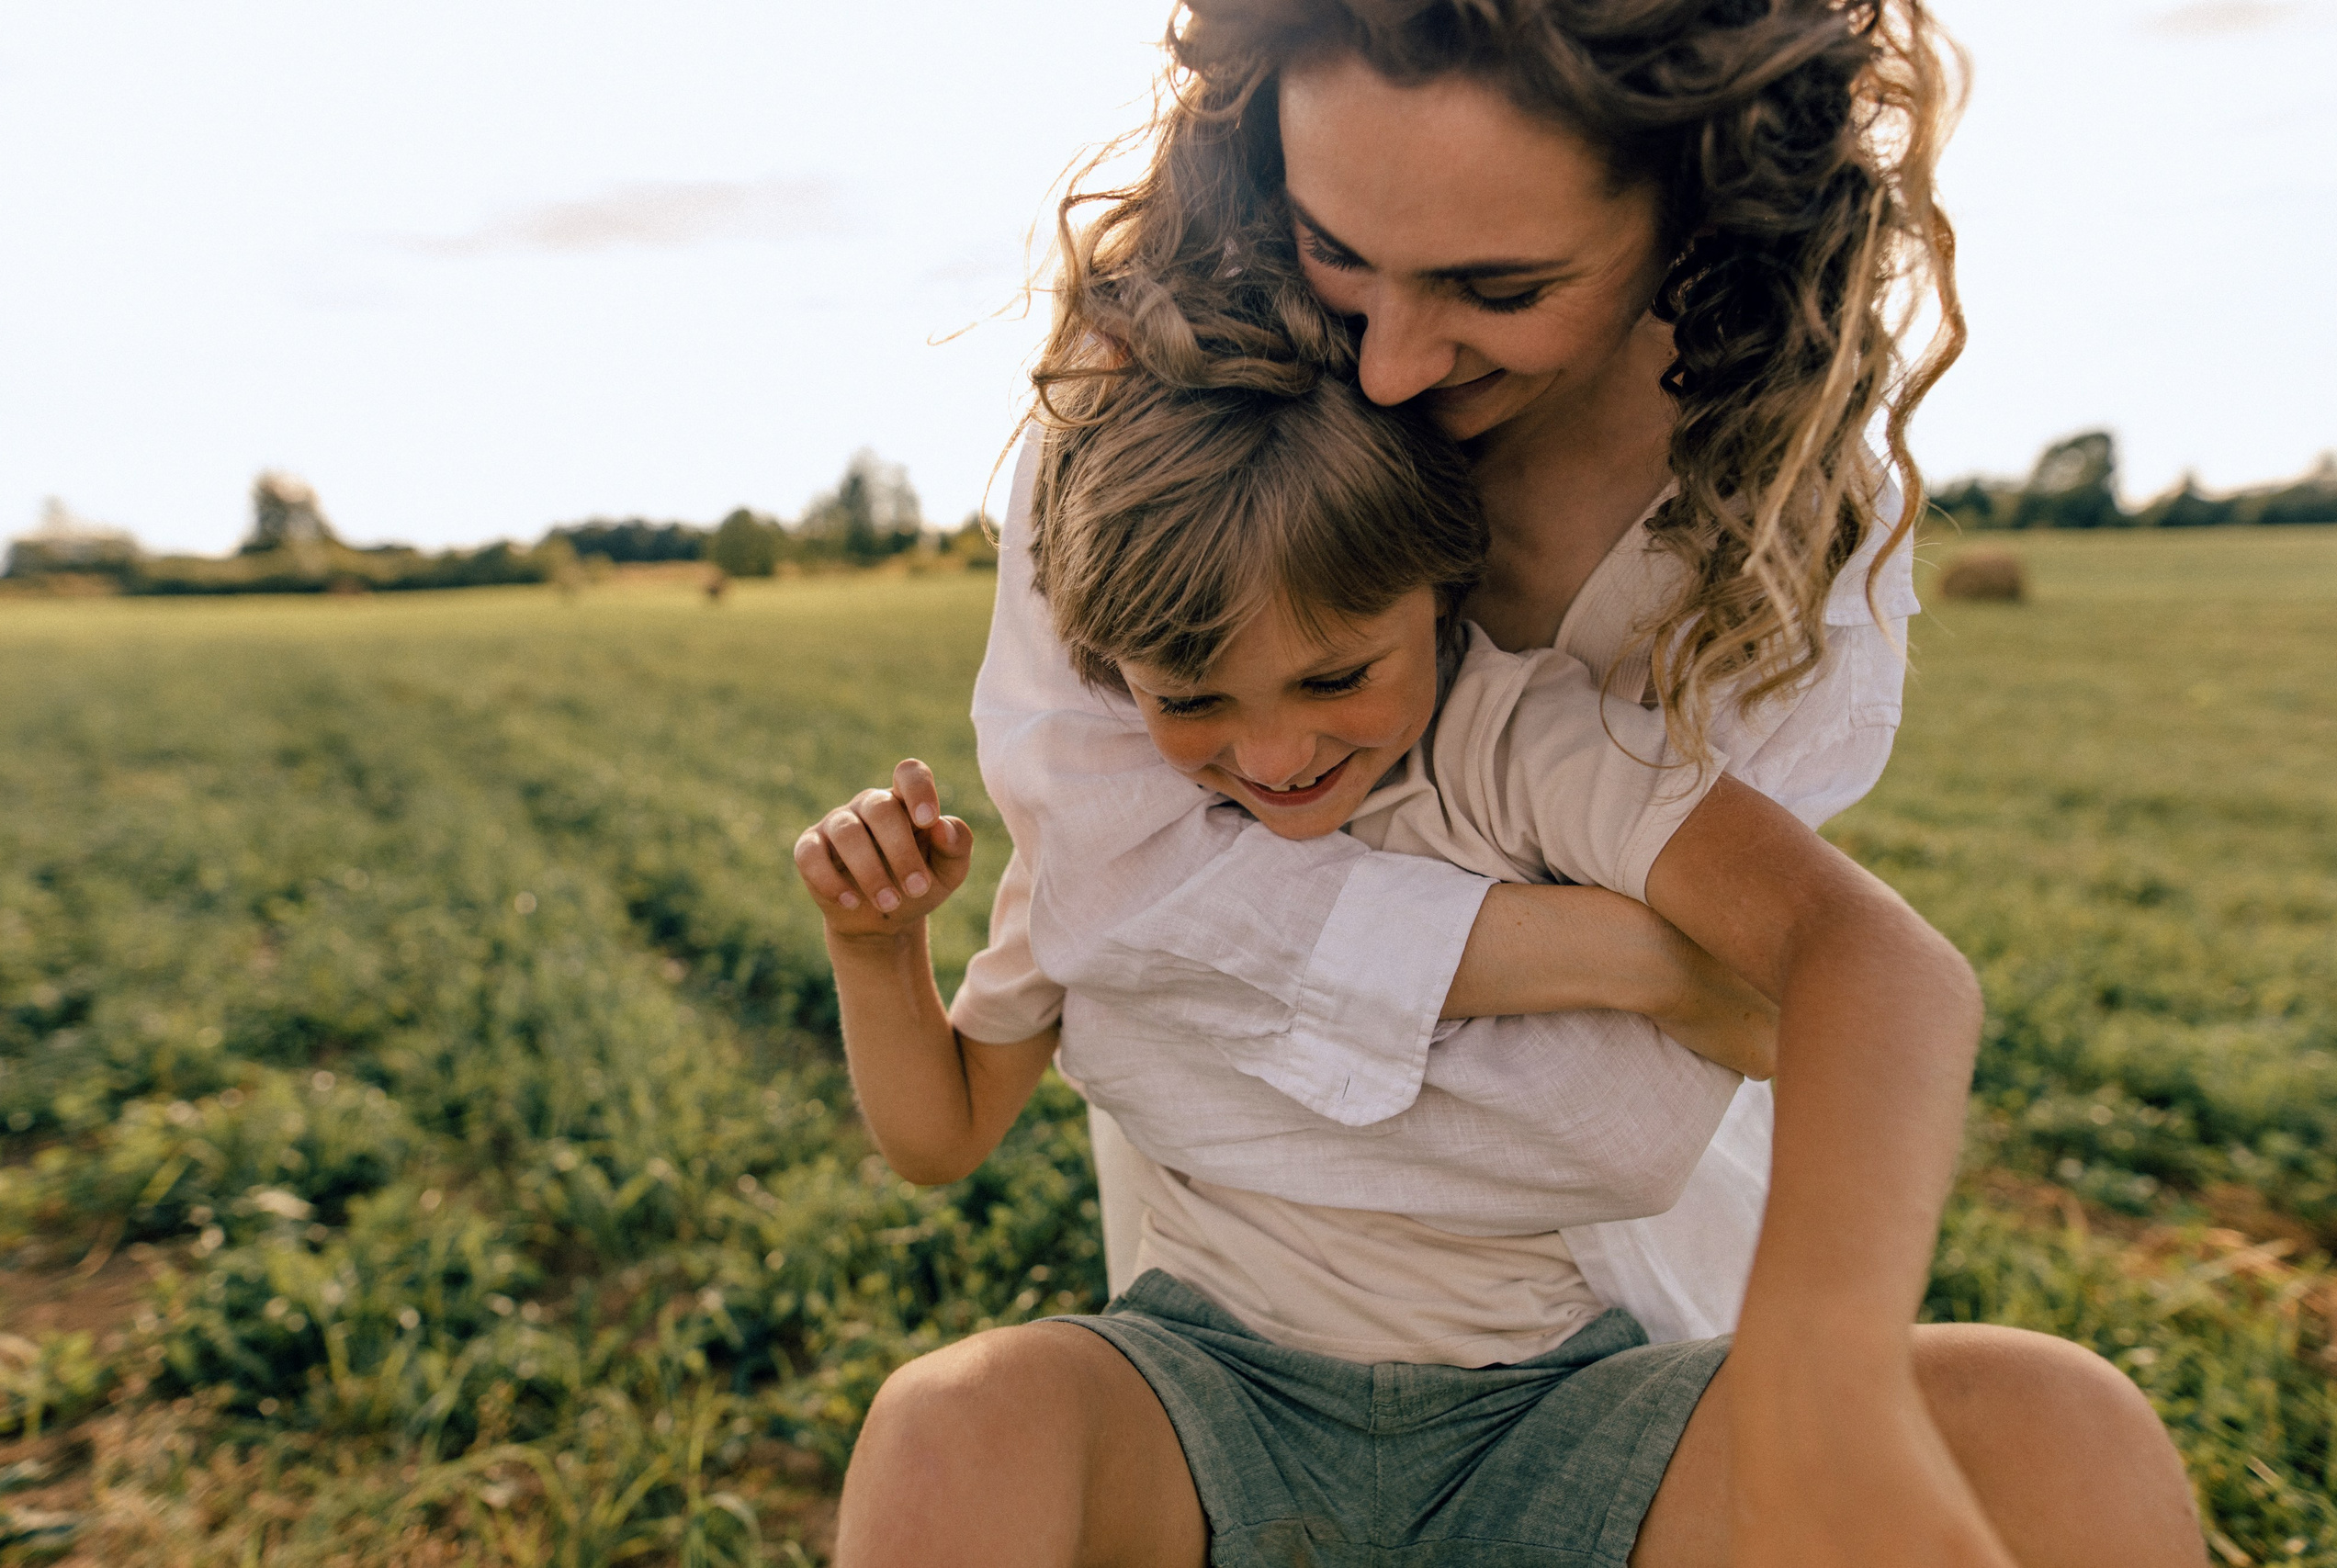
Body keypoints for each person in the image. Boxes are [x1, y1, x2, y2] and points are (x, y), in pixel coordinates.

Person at [813, 3, 2205, 1563]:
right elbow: (1102, 922)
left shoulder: (1568, 694)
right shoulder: (1157, 433)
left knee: (2062, 1432)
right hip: (1224, 1364)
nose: (1393, 366)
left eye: (1498, 286)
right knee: (953, 1430)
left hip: (1566, 1368)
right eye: (1338, 250)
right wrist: (1632, 962)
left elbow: (1802, 1002)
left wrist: (1830, 1385)